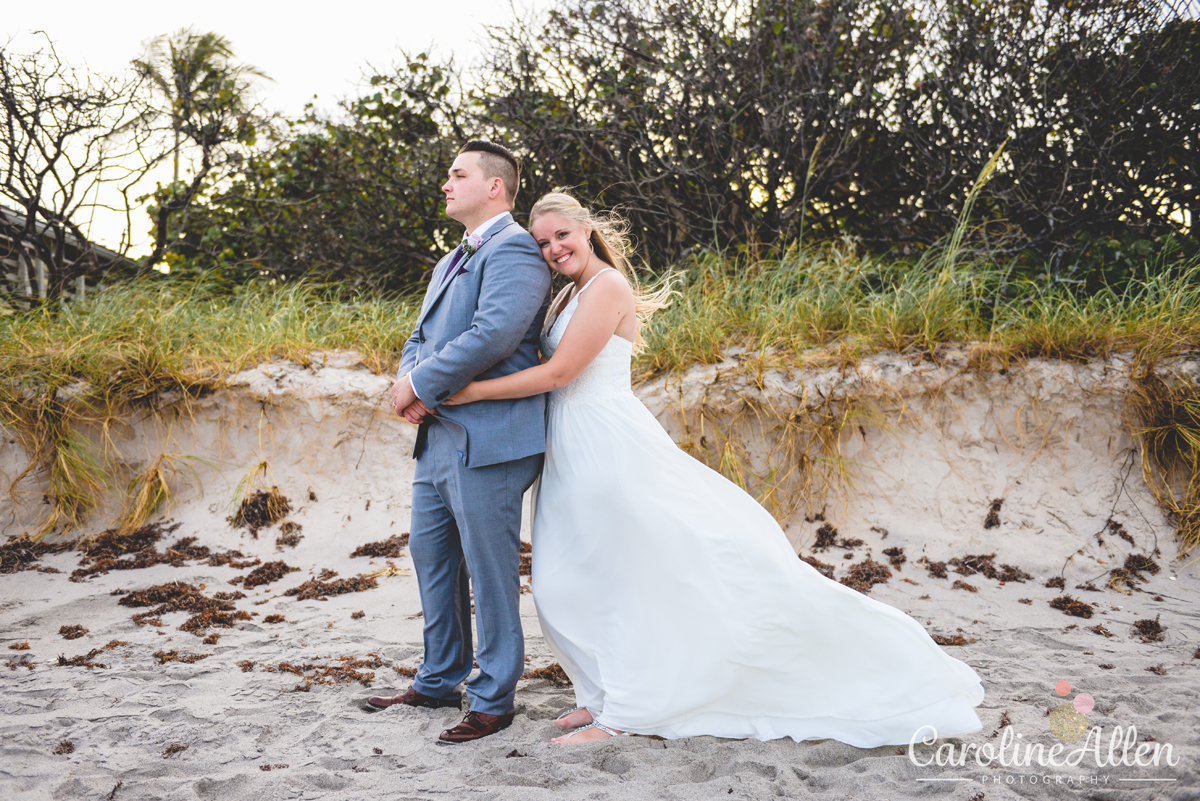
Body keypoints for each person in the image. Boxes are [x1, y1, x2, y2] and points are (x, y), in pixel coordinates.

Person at [443, 189, 986, 745]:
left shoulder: (607, 287)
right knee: (568, 582)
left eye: (562, 235)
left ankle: (625, 712)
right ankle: (601, 692)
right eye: (542, 242)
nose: (554, 248)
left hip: (603, 444)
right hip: (568, 447)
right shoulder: (567, 295)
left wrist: (470, 392)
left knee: (618, 574)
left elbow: (558, 374)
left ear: (586, 230)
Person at [369, 140, 552, 744]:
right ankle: (439, 675)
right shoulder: (453, 257)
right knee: (433, 559)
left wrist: (421, 384)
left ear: (494, 186)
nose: (446, 184)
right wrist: (409, 383)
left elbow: (494, 334)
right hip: (439, 434)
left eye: (457, 174)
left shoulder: (517, 250)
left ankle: (495, 697)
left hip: (492, 438)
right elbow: (420, 334)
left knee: (489, 569)